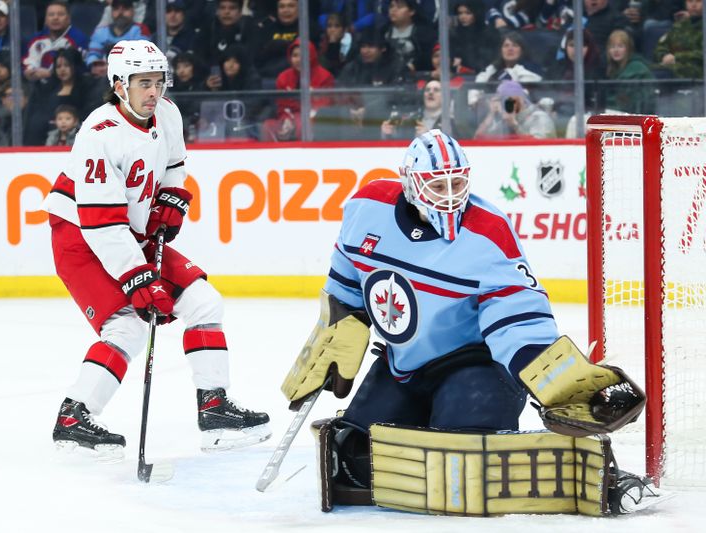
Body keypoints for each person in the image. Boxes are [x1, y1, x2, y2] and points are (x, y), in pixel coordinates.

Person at [280, 129, 655, 516]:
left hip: (476, 366)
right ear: (409, 181)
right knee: (359, 458)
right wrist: (333, 336)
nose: (449, 194)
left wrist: (555, 382)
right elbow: (345, 281)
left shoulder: (488, 233)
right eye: (436, 184)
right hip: (402, 366)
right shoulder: (366, 207)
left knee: (464, 461)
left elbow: (517, 316)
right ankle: (424, 413)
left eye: (457, 182)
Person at [42, 40, 270, 457]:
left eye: (159, 81)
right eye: (143, 83)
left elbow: (173, 166)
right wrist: (137, 280)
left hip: (130, 230)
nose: (154, 91)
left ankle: (215, 409)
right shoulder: (99, 134)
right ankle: (74, 417)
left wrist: (170, 198)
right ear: (118, 85)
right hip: (81, 237)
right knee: (126, 324)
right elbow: (101, 224)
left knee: (204, 302)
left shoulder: (166, 112)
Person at [262, 39, 334, 142]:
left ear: (312, 56)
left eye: (303, 55)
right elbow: (282, 106)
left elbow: (324, 106)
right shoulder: (283, 77)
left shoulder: (325, 77)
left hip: (317, 122)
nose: (299, 59)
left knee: (302, 124)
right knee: (268, 126)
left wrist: (296, 118)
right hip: (290, 119)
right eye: (295, 56)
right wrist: (286, 119)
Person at [23, 48, 93, 146]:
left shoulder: (86, 87)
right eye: (58, 66)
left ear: (75, 66)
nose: (62, 70)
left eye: (66, 65)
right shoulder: (47, 88)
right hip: (48, 139)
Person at [23, 0, 89, 82]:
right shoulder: (35, 39)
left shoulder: (79, 39)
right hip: (38, 87)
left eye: (60, 14)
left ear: (68, 19)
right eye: (51, 15)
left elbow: (80, 70)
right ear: (46, 20)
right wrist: (30, 71)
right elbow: (28, 62)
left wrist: (51, 74)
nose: (55, 18)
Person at [474, 79, 557, 138]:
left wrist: (515, 126)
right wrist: (491, 114)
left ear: (520, 99)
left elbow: (539, 146)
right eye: (501, 100)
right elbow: (478, 139)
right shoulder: (505, 119)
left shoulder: (539, 117)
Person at [86, 0, 151, 74]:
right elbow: (93, 55)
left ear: (133, 11)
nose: (120, 13)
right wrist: (95, 66)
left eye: (125, 9)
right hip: (104, 77)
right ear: (111, 12)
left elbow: (142, 57)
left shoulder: (140, 30)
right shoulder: (101, 32)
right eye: (116, 9)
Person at [605, 28, 655, 113]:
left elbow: (628, 100)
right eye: (612, 46)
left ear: (628, 48)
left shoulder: (637, 68)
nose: (616, 50)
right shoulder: (612, 70)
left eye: (620, 46)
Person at [653, 0, 703, 79]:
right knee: (649, 71)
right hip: (671, 66)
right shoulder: (679, 26)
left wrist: (677, 57)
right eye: (690, 1)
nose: (693, 5)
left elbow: (701, 54)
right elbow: (661, 46)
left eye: (698, 1)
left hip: (699, 70)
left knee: (663, 73)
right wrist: (664, 56)